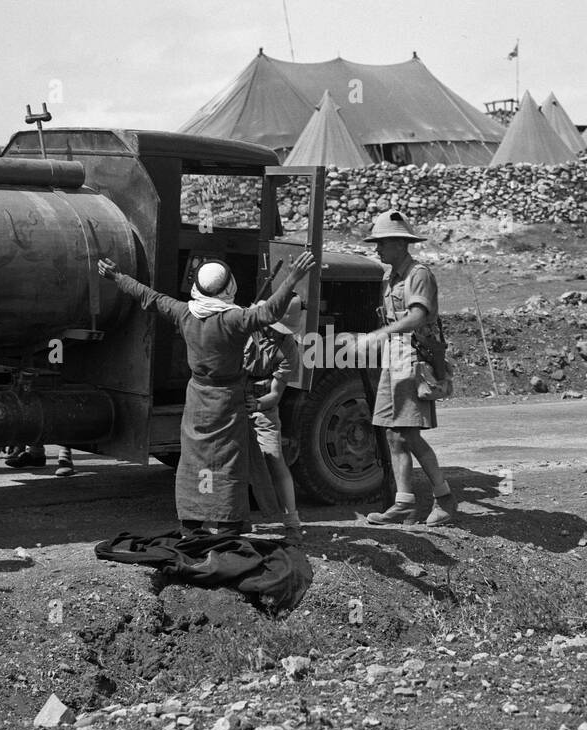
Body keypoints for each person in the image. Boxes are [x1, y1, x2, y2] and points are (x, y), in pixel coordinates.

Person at [98, 252, 316, 533]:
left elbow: (148, 296)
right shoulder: (236, 320)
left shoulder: (184, 313)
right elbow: (270, 312)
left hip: (197, 401)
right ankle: (229, 524)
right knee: (226, 464)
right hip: (228, 403)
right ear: (230, 288)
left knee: (194, 462)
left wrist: (117, 276)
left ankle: (192, 523)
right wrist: (294, 276)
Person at [359, 210, 457, 526]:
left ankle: (444, 499)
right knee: (393, 433)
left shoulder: (419, 275)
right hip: (396, 358)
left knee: (409, 434)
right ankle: (404, 502)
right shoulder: (390, 278)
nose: (377, 249)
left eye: (382, 243)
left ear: (400, 244)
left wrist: (378, 336)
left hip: (415, 360)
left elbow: (416, 316)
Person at [244, 293, 305, 545]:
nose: (276, 333)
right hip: (230, 399)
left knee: (275, 459)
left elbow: (275, 395)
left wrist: (256, 404)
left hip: (262, 408)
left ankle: (292, 522)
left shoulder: (289, 349)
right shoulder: (245, 323)